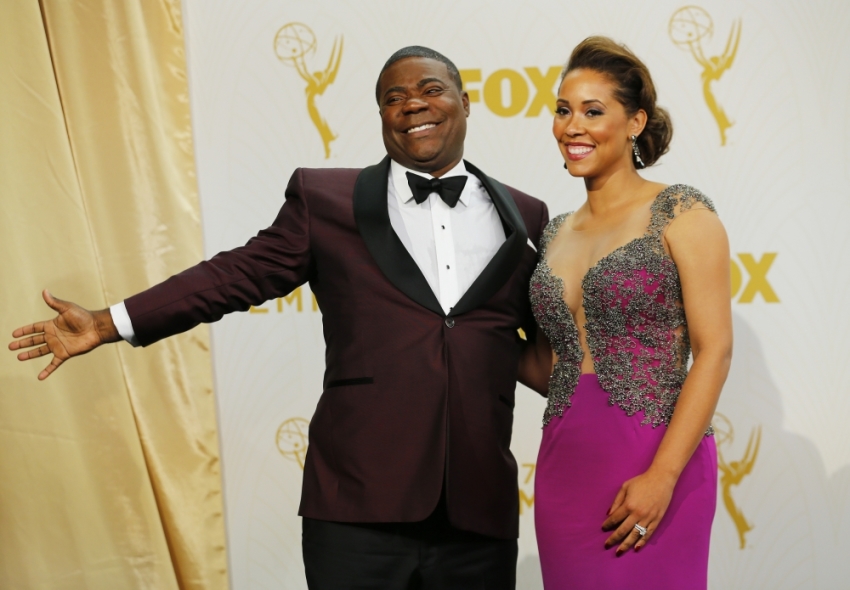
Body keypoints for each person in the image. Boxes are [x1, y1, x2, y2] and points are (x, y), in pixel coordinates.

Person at [9, 46, 549, 589]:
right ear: (381, 115)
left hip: (479, 515)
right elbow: (231, 277)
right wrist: (108, 323)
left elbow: (548, 347)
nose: (412, 104)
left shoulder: (526, 214)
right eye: (393, 97)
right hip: (356, 510)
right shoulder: (326, 200)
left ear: (465, 101)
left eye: (430, 89)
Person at [519, 37, 732, 589]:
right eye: (563, 110)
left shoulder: (681, 211)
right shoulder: (554, 231)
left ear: (635, 122)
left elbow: (714, 350)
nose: (573, 126)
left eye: (593, 111)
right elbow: (554, 369)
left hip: (658, 459)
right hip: (566, 466)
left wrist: (662, 476)